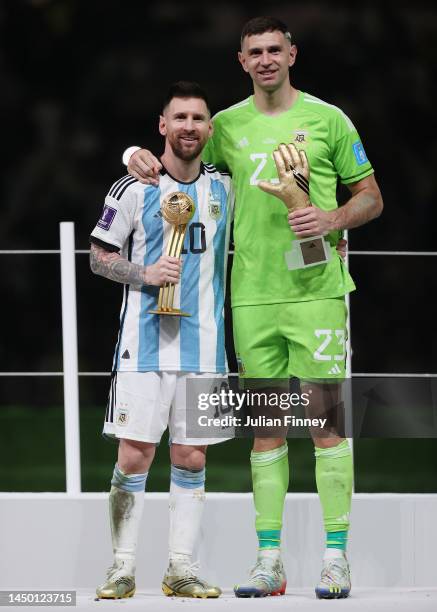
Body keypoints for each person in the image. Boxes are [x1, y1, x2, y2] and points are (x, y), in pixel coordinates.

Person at [125, 16, 383, 600]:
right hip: (251, 295)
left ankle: (336, 559)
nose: (265, 59)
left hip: (317, 291)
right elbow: (179, 154)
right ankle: (270, 562)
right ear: (241, 62)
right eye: (254, 52)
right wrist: (135, 153)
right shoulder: (227, 127)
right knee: (266, 432)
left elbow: (370, 195)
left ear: (292, 53)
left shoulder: (328, 120)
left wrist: (333, 218)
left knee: (325, 427)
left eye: (274, 49)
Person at [89, 81, 234, 599]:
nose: (189, 127)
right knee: (135, 455)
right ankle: (122, 567)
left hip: (205, 347)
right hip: (143, 344)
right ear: (162, 125)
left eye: (198, 119)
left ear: (209, 129)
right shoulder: (131, 188)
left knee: (192, 458)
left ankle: (181, 568)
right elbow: (98, 257)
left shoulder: (225, 187)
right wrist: (143, 273)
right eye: (180, 118)